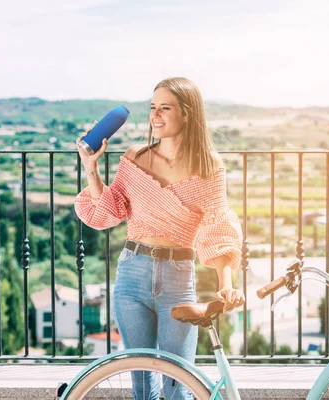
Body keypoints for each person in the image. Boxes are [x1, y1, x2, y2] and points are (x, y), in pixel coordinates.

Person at [75, 77, 245, 400]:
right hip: (132, 275)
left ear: (188, 114)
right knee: (143, 387)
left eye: (165, 108)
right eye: (153, 107)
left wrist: (226, 281)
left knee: (178, 386)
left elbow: (218, 226)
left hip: (178, 281)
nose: (156, 115)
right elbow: (111, 210)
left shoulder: (209, 168)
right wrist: (90, 167)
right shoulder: (135, 157)